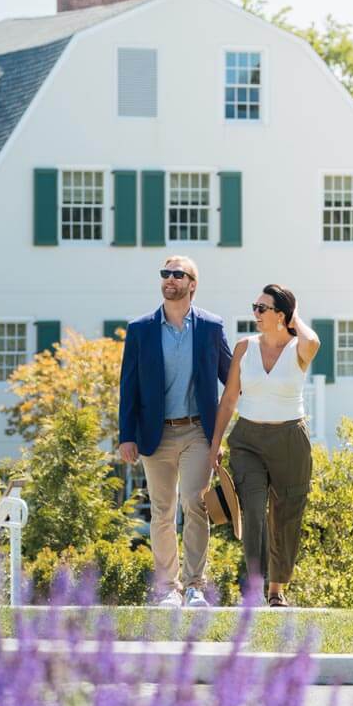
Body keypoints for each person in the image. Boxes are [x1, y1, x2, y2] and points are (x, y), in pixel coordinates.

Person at [118, 256, 232, 608]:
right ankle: (168, 588)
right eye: (165, 274)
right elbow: (129, 386)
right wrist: (127, 435)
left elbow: (231, 379)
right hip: (156, 434)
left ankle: (196, 584)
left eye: (177, 274)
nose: (169, 279)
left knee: (195, 505)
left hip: (198, 431)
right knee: (162, 511)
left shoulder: (211, 328)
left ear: (192, 283)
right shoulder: (140, 329)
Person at [209, 285, 320, 607]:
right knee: (254, 510)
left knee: (286, 514)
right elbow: (229, 398)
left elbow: (313, 340)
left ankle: (276, 590)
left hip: (290, 439)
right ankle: (254, 589)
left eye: (262, 308)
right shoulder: (245, 347)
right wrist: (216, 442)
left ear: (281, 315)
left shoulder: (300, 348)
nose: (255, 314)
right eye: (254, 307)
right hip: (248, 441)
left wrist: (295, 315)